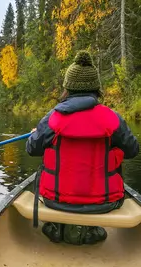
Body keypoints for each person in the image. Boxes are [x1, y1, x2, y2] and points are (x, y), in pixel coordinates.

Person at [26, 50, 139, 245]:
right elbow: (132, 150)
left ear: (67, 89)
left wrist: (37, 132)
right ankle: (88, 230)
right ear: (96, 89)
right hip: (106, 203)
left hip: (55, 200)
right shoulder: (112, 118)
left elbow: (31, 148)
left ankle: (59, 227)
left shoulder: (53, 118)